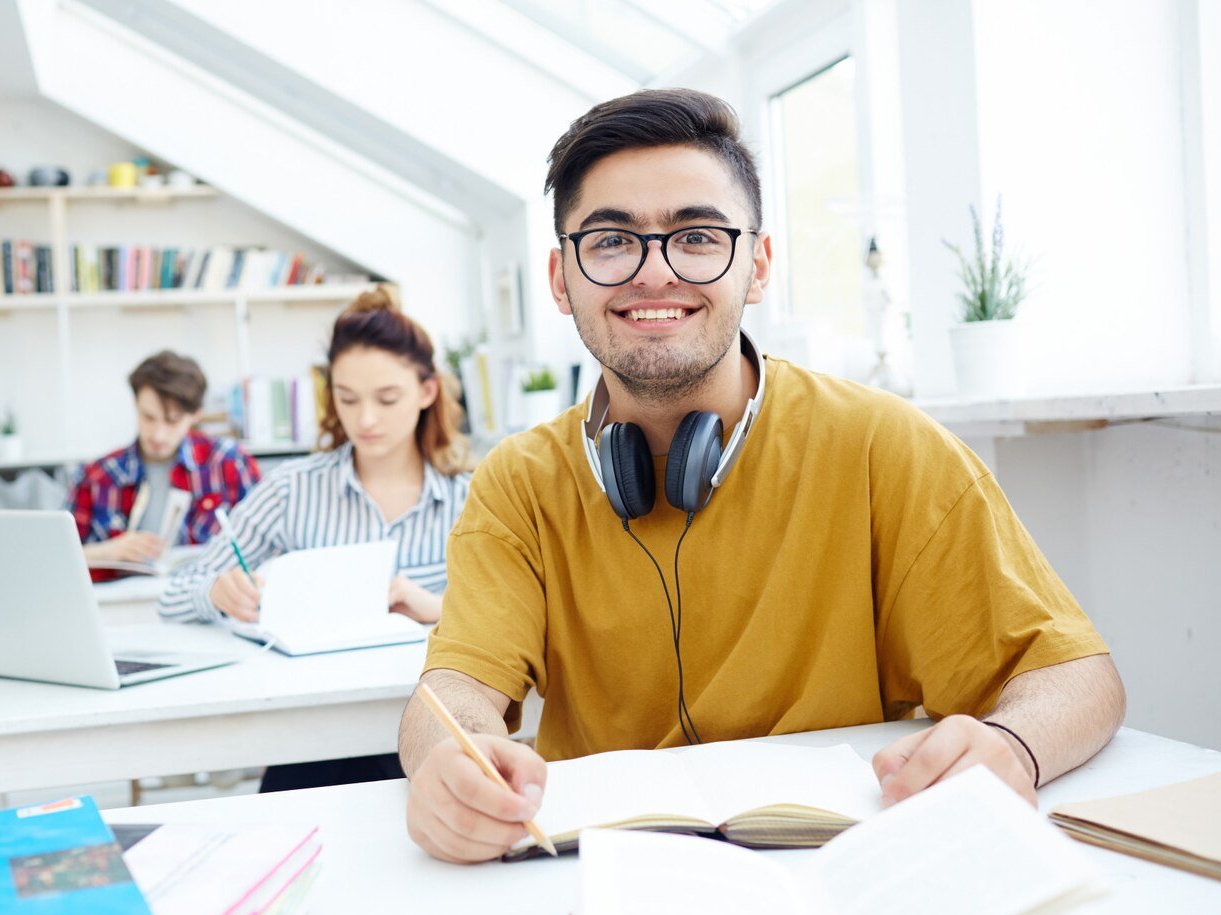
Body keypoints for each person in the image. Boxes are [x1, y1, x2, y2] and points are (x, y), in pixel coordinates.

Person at [399, 89, 1126, 864]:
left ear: (758, 264)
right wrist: (451, 759)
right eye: (611, 241)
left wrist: (1011, 747)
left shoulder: (882, 444)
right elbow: (453, 693)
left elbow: (1079, 677)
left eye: (699, 236)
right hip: (609, 873)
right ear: (560, 276)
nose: (654, 273)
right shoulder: (518, 482)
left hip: (850, 864)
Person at [161, 285, 472, 790]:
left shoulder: (471, 496)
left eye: (386, 398)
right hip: (313, 743)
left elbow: (522, 620)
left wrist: (437, 606)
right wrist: (217, 591)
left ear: (427, 391)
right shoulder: (291, 488)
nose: (365, 419)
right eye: (348, 399)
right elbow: (174, 593)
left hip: (431, 736)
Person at [67, 351, 261, 576]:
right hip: (120, 605)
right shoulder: (97, 475)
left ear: (195, 415)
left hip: (209, 603)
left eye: (172, 421)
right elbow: (56, 560)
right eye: (148, 417)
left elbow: (266, 547)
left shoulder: (231, 464)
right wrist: (108, 552)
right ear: (135, 404)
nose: (158, 435)